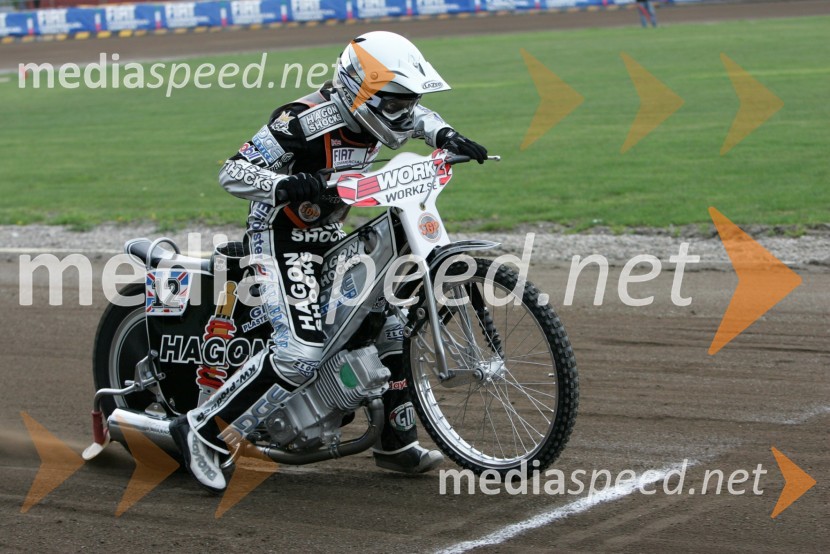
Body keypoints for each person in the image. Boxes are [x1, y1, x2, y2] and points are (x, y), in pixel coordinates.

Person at [170, 31, 488, 492]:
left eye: (408, 100)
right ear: (360, 89)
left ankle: (395, 444)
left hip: (331, 237)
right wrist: (282, 186)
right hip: (280, 238)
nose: (403, 111)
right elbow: (232, 171)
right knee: (300, 352)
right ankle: (202, 431)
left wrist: (447, 135)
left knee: (387, 322)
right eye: (394, 101)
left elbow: (416, 116)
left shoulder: (387, 109)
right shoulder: (299, 122)